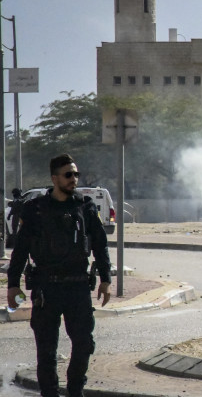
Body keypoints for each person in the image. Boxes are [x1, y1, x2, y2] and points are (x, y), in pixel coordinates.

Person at [6, 154, 112, 397]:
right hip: (46, 288)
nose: (74, 178)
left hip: (77, 287)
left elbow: (100, 245)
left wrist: (106, 279)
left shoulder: (85, 206)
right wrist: (12, 285)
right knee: (46, 351)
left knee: (84, 345)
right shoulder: (35, 210)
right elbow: (20, 249)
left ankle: (75, 391)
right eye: (68, 174)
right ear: (55, 178)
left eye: (76, 174)